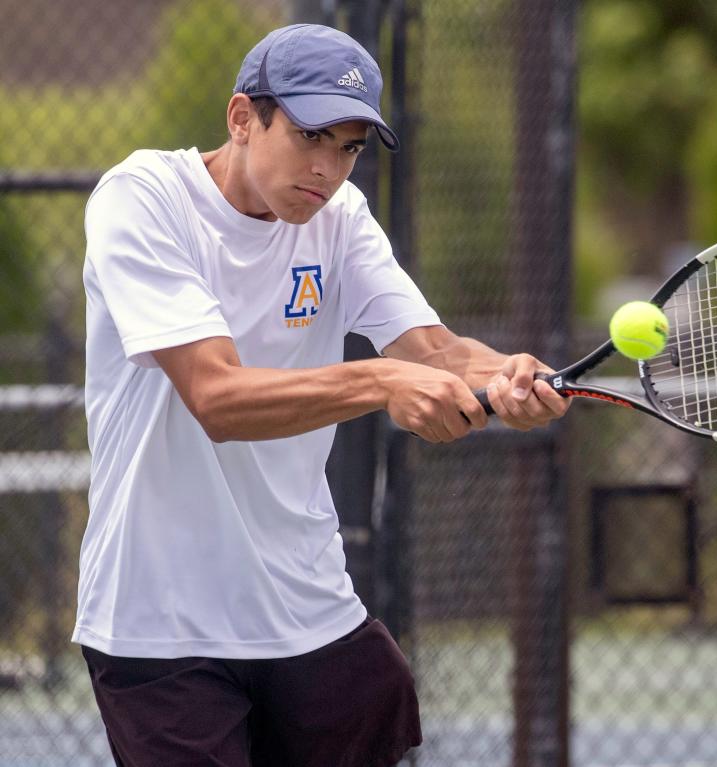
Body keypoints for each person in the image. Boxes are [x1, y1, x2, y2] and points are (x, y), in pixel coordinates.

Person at [73, 23, 568, 767]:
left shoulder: (341, 223)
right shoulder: (142, 201)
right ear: (243, 118)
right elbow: (218, 397)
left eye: (348, 147)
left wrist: (506, 376)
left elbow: (434, 352)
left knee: (380, 691)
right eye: (310, 136)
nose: (328, 168)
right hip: (158, 619)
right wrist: (379, 382)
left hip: (307, 608)